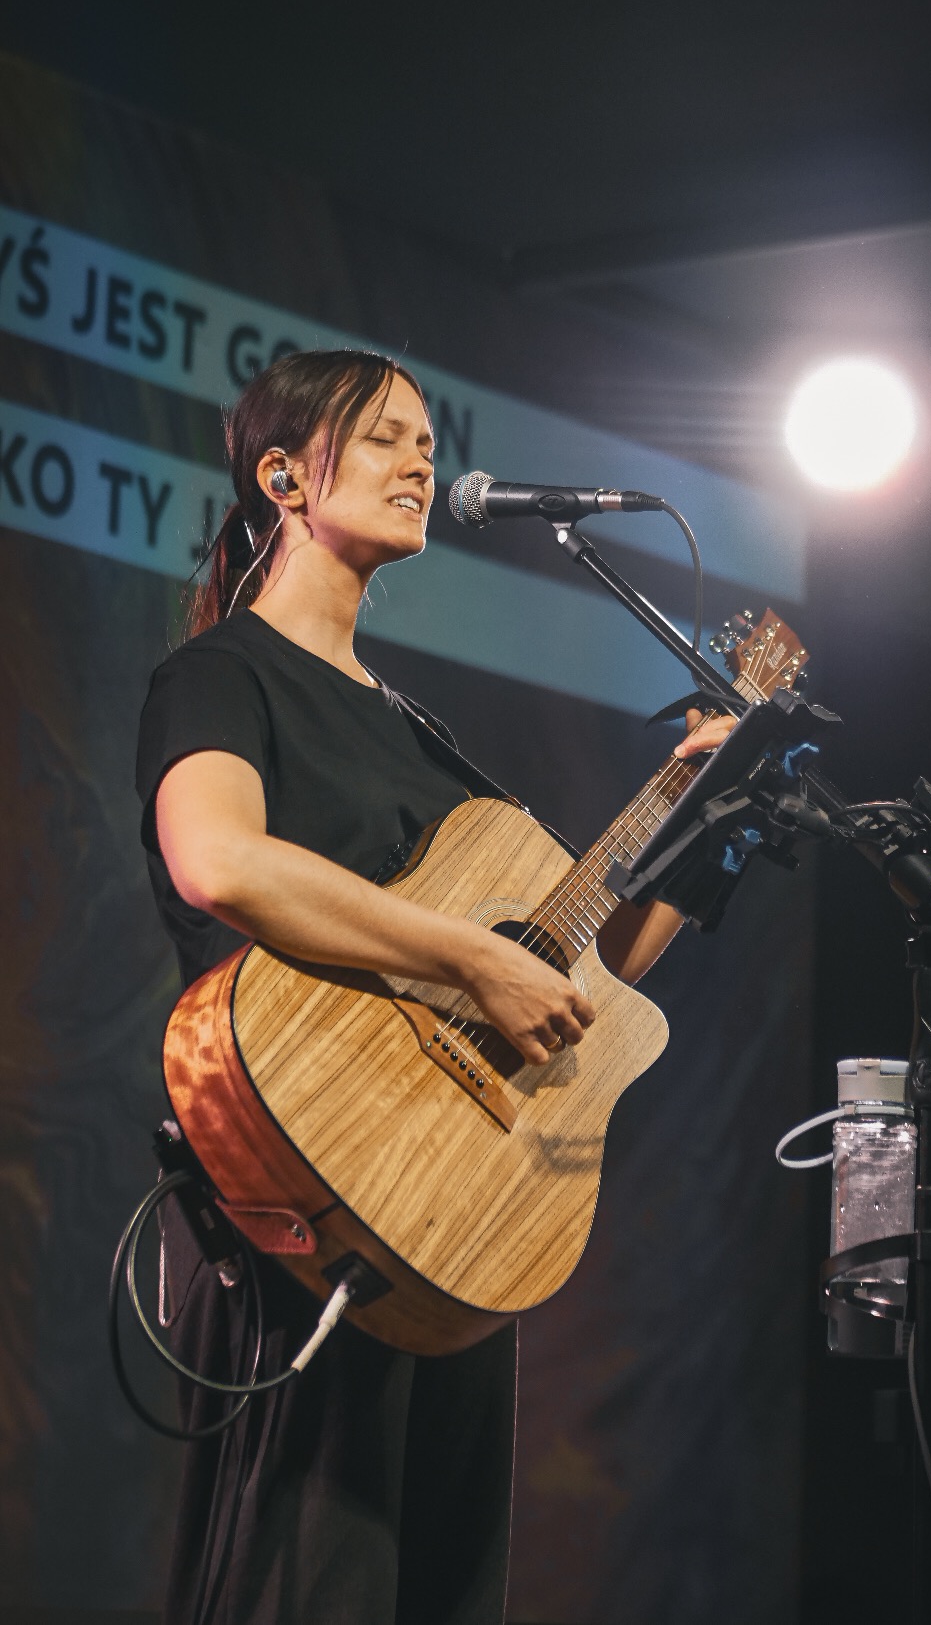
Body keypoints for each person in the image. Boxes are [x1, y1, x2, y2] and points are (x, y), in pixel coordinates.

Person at [136, 348, 733, 1625]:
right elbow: (218, 860)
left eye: (428, 437)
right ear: (284, 473)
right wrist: (464, 953)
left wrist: (708, 817)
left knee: (444, 1590)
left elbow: (585, 971)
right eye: (390, 436)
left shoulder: (420, 737)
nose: (423, 460)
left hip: (454, 1215)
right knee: (306, 1588)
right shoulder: (222, 675)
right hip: (298, 1184)